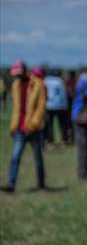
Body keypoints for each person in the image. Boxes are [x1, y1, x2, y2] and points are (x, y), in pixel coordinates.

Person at [2, 61, 46, 193]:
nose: (16, 78)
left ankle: (41, 182)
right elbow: (16, 109)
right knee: (15, 157)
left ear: (24, 72)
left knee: (38, 157)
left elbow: (40, 107)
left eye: (18, 75)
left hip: (34, 128)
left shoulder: (37, 84)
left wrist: (32, 125)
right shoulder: (15, 85)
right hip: (19, 129)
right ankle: (11, 184)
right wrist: (13, 126)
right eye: (15, 76)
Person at [44, 68, 69, 145]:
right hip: (59, 106)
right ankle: (64, 139)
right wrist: (65, 106)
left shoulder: (45, 80)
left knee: (49, 124)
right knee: (62, 124)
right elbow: (63, 94)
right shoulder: (59, 81)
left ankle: (49, 140)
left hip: (48, 105)